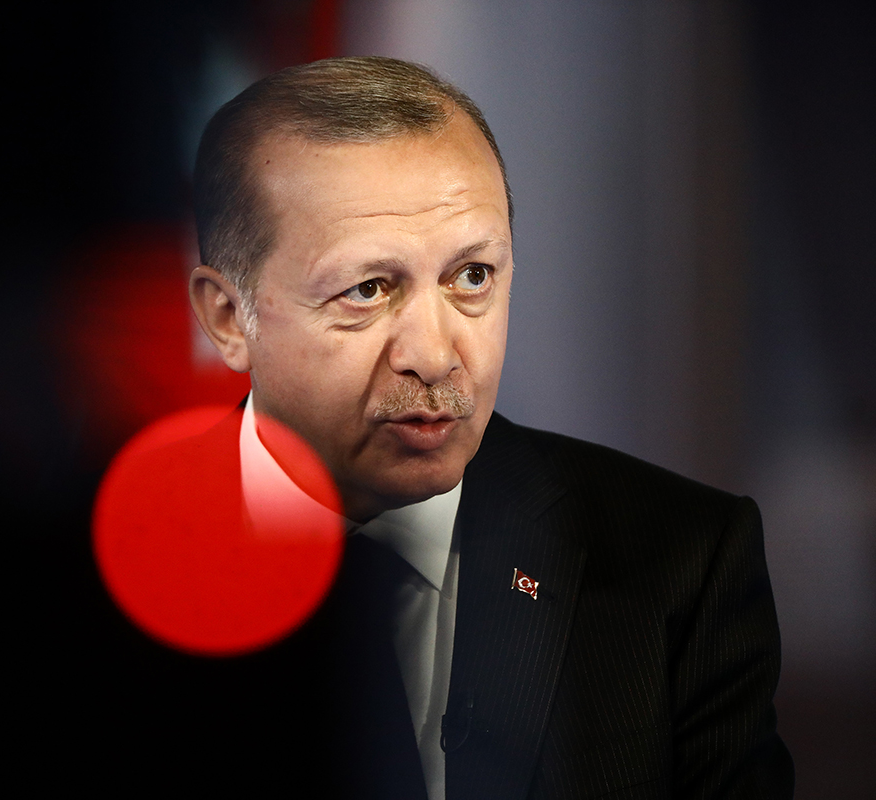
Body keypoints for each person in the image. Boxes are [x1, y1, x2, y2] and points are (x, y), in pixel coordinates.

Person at [132, 56, 792, 798]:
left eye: (472, 276)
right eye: (367, 289)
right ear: (228, 318)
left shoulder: (684, 560)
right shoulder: (113, 576)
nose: (436, 355)